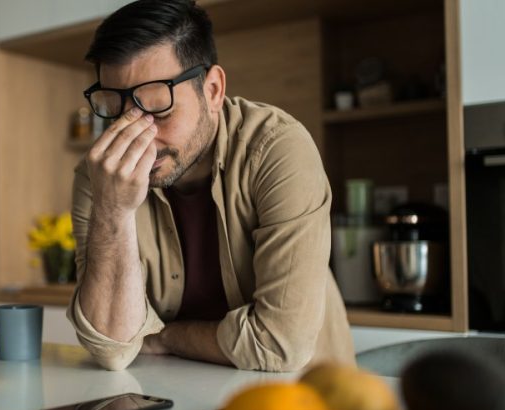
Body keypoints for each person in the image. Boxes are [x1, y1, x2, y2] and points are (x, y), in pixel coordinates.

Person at [67, 0, 355, 371]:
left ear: (214, 90)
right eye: (117, 113)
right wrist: (113, 210)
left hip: (301, 400)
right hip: (176, 403)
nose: (139, 138)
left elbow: (280, 345)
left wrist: (166, 336)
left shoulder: (278, 149)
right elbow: (113, 348)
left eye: (159, 110)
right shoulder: (101, 175)